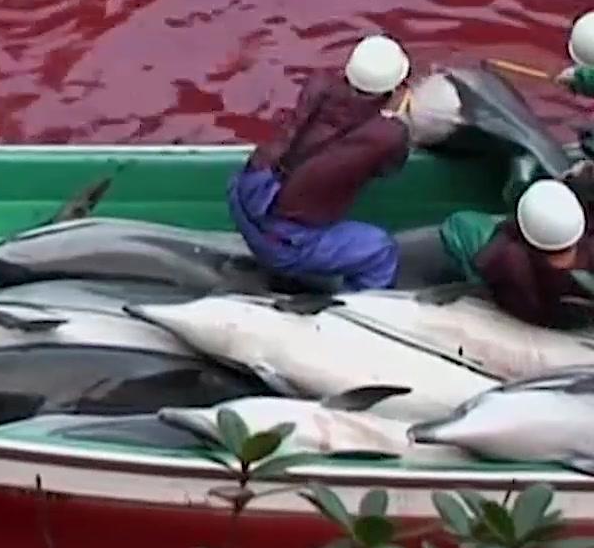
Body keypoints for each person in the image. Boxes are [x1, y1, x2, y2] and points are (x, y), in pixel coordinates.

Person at [226, 34, 413, 292]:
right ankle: (355, 315)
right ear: (396, 88)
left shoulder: (318, 84)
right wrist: (394, 118)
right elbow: (390, 167)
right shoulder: (388, 134)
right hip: (281, 243)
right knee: (381, 253)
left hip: (242, 197)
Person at [439, 180, 594, 329]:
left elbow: (460, 229)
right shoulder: (587, 255)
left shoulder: (511, 261)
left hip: (535, 309)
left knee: (459, 224)